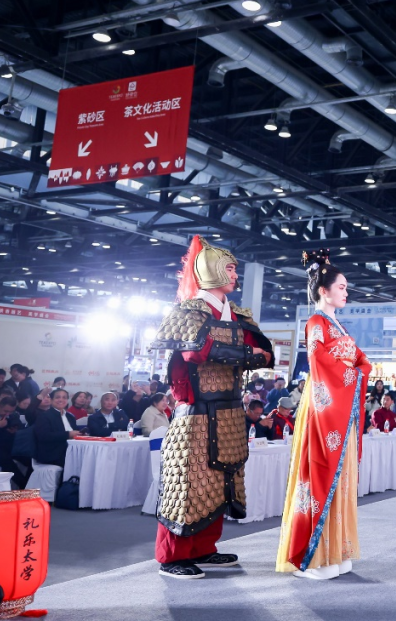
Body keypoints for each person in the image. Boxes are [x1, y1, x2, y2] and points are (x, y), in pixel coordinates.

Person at [150, 235, 273, 580]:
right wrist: (247, 355)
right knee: (186, 484)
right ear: (212, 270)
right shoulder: (188, 311)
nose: (235, 275)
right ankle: (171, 557)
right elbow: (195, 351)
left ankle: (204, 549)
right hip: (196, 414)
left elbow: (267, 354)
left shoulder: (238, 315)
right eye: (229, 268)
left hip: (230, 414)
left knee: (219, 483)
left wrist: (241, 354)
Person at [278, 250, 372, 581]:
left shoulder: (335, 325)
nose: (346, 292)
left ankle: (334, 552)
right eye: (341, 287)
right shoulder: (316, 322)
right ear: (323, 290)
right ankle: (313, 556)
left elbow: (361, 360)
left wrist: (355, 367)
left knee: (339, 478)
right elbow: (320, 363)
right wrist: (352, 368)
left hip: (339, 409)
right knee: (319, 475)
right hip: (323, 408)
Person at [33, 388, 79, 467]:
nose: (61, 400)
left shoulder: (70, 417)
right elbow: (44, 436)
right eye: (57, 397)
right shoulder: (44, 416)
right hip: (52, 453)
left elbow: (75, 432)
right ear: (51, 400)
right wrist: (68, 434)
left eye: (64, 397)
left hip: (71, 451)